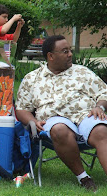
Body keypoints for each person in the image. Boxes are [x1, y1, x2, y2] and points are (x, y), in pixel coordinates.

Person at [15, 35, 107, 192]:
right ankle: (83, 177)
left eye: (70, 50)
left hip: (85, 115)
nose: (70, 54)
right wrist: (32, 120)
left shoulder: (82, 72)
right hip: (53, 120)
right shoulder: (32, 79)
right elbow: (22, 108)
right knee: (59, 129)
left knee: (101, 130)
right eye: (65, 51)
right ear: (50, 56)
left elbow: (103, 92)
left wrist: (100, 107)